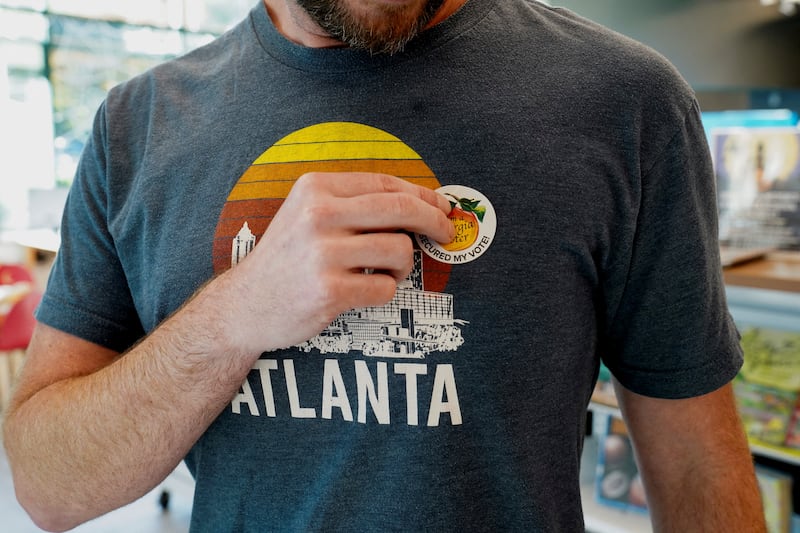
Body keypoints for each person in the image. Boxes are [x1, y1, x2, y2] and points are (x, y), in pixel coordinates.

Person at [2, 0, 767, 531]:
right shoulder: (136, 129)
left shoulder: (627, 106)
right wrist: (236, 315)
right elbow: (46, 483)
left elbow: (698, 463)